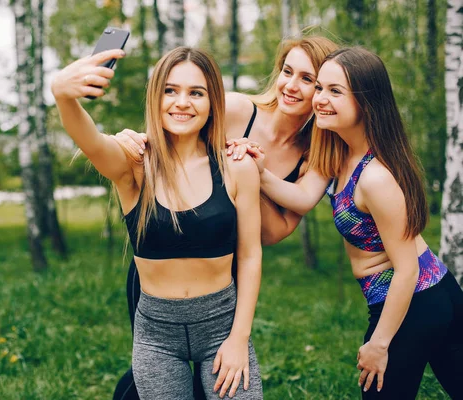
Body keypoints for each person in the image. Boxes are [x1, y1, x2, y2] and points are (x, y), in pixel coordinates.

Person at [113, 35, 339, 400]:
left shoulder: (317, 150)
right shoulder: (236, 109)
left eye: (308, 79)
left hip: (224, 270)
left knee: (221, 377)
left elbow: (276, 230)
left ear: (324, 90)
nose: (292, 86)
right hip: (163, 256)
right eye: (287, 71)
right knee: (156, 370)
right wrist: (131, 142)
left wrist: (253, 175)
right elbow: (174, 133)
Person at [249, 47, 463, 399]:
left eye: (335, 91)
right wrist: (259, 173)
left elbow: (406, 269)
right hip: (427, 293)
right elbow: (303, 197)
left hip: (413, 300)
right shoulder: (338, 149)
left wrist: (379, 343)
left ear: (366, 102)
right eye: (320, 88)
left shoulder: (376, 177)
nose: (319, 99)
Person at [51, 46, 264, 399]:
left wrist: (239, 337)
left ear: (213, 103)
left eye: (196, 93)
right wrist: (63, 95)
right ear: (155, 97)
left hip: (222, 326)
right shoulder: (134, 163)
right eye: (170, 90)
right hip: (156, 336)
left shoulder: (236, 166)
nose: (182, 102)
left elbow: (250, 256)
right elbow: (88, 140)